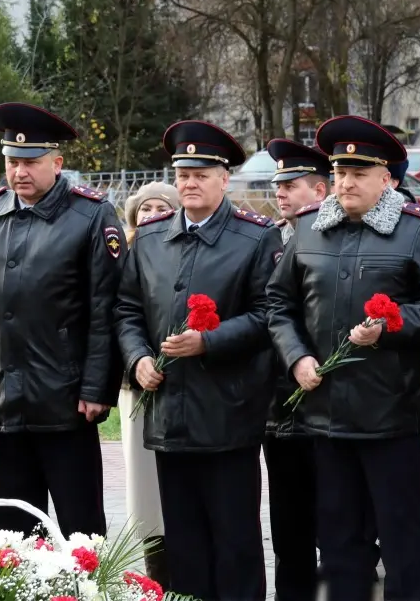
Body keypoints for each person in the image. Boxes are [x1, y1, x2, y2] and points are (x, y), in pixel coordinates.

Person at [267, 115, 420, 601]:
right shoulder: (310, 230)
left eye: (359, 173)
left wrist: (392, 326)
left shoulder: (416, 231)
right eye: (339, 173)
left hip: (388, 413)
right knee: (339, 542)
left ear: (387, 179)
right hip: (324, 415)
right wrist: (296, 357)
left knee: (401, 541)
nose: (346, 183)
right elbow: (279, 303)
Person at [115, 120, 281, 600]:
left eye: (201, 174)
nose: (189, 183)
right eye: (182, 174)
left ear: (224, 179)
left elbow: (270, 315)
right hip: (169, 416)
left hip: (228, 413)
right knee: (183, 544)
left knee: (235, 541)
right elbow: (126, 309)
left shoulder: (255, 238)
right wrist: (137, 358)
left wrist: (210, 342)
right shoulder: (148, 239)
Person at [0, 102, 124, 538]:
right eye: (12, 162)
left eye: (30, 162)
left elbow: (105, 310)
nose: (20, 173)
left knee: (80, 528)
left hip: (66, 402)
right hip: (4, 398)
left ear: (58, 162)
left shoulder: (90, 216)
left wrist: (95, 388)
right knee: (14, 531)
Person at [264, 138, 332, 601]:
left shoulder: (336, 237)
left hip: (331, 399)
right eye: (278, 185)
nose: (281, 193)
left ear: (320, 190)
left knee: (339, 513)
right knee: (288, 515)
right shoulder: (264, 240)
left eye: (292, 184)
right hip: (279, 403)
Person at [121, 181, 179, 584]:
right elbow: (120, 316)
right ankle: (154, 574)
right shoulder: (122, 256)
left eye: (162, 206)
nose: (152, 213)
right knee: (143, 492)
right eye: (145, 208)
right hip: (136, 388)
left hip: (181, 387)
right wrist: (136, 362)